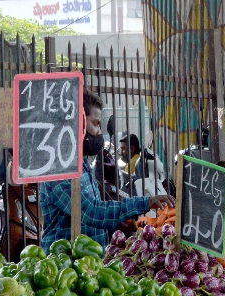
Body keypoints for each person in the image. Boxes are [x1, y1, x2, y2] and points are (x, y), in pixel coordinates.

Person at [39, 90, 174, 250]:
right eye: (95, 124)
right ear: (77, 122)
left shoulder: (81, 163)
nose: (99, 132)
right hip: (64, 265)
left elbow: (97, 209)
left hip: (89, 263)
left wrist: (120, 223)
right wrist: (144, 202)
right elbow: (90, 212)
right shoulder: (59, 168)